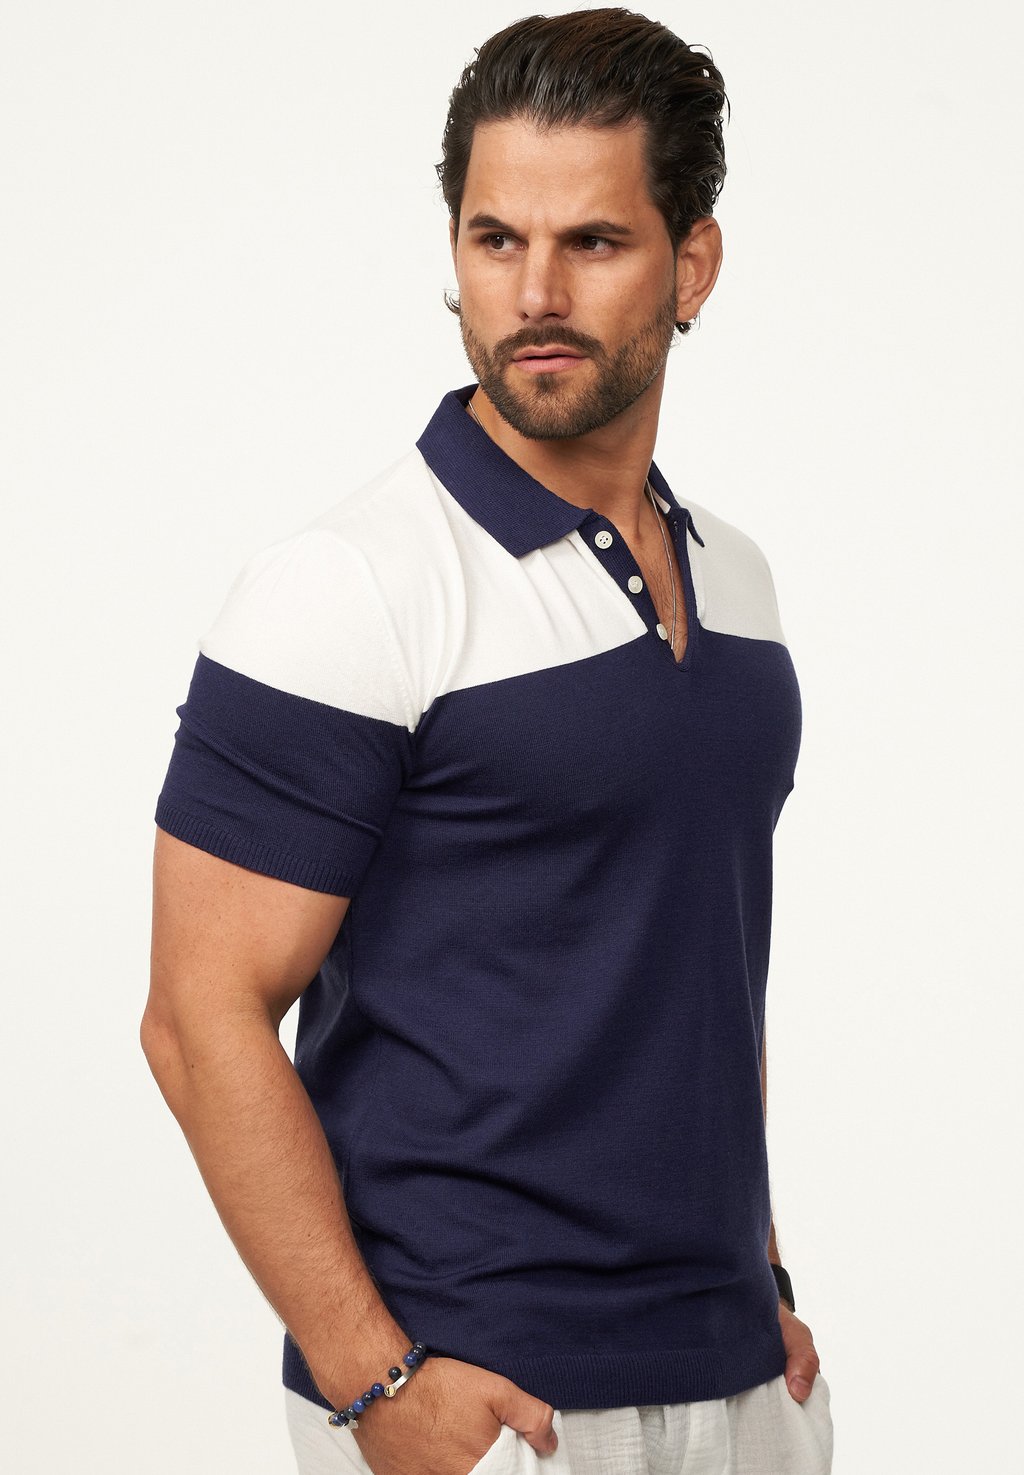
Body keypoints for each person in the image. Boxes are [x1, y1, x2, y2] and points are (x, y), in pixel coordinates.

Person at [143, 9, 833, 1474]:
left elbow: (695, 959)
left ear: (692, 267)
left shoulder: (743, 584)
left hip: (740, 1383)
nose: (534, 294)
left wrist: (762, 1268)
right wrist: (376, 1382)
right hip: (492, 1406)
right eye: (494, 238)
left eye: (594, 243)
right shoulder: (351, 585)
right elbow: (200, 1020)